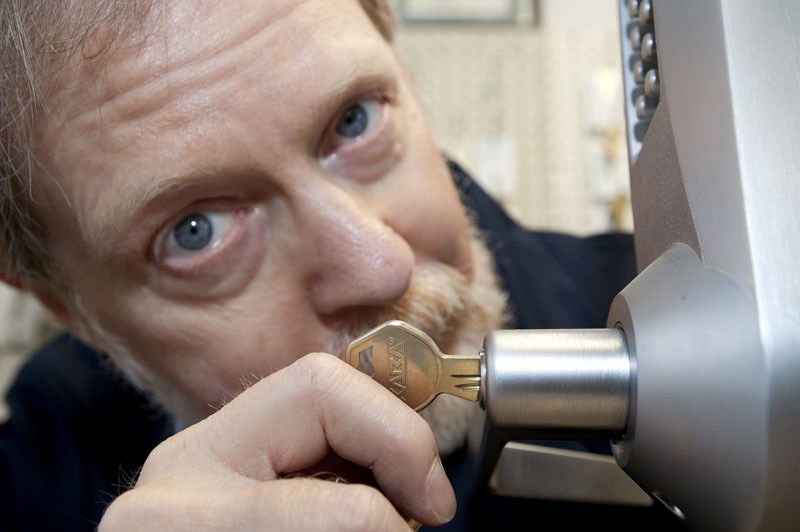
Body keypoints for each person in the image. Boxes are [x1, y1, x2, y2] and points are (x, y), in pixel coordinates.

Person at [0, 1, 687, 530]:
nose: (382, 267)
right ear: (76, 312)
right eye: (196, 231)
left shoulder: (706, 342)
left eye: (355, 120)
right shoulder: (41, 472)